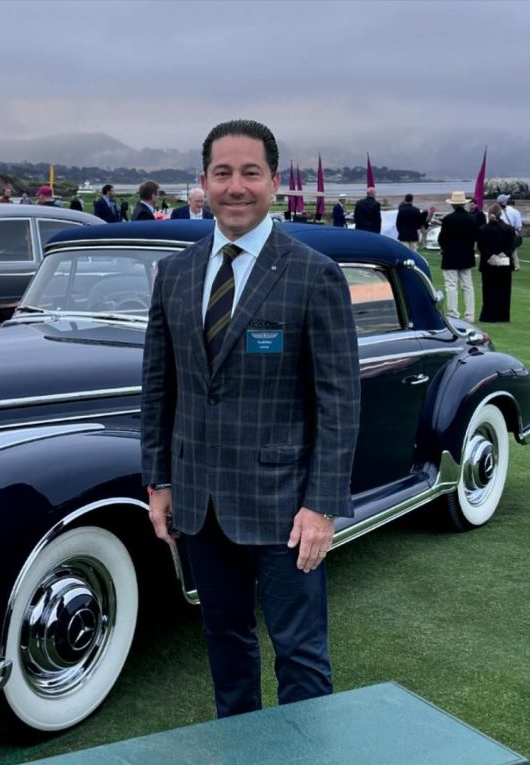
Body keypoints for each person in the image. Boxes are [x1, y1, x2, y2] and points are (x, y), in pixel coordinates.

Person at [141, 118, 360, 719]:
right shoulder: (177, 273)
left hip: (286, 507)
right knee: (225, 644)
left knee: (300, 654)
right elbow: (161, 388)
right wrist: (159, 481)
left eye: (250, 173)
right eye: (222, 173)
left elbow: (339, 402)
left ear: (274, 182)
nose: (236, 187)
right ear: (204, 182)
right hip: (200, 501)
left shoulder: (314, 274)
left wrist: (322, 506)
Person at [437, 190, 478, 322]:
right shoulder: (472, 218)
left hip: (450, 255)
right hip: (466, 254)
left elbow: (442, 239)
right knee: (467, 285)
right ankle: (470, 314)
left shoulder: (448, 219)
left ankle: (453, 313)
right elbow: (475, 237)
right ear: (464, 204)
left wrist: (444, 248)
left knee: (451, 285)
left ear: (452, 205)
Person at [477, 203, 517, 322]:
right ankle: (503, 315)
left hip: (488, 261)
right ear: (501, 214)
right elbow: (513, 244)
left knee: (489, 289)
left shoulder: (483, 229)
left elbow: (481, 246)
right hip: (504, 259)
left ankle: (489, 315)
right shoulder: (509, 229)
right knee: (504, 289)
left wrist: (491, 256)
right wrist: (504, 253)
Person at [497, 194, 523, 270]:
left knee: (501, 249)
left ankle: (502, 264)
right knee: (512, 250)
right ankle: (516, 265)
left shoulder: (497, 211)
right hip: (511, 232)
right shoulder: (515, 211)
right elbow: (518, 225)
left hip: (500, 232)